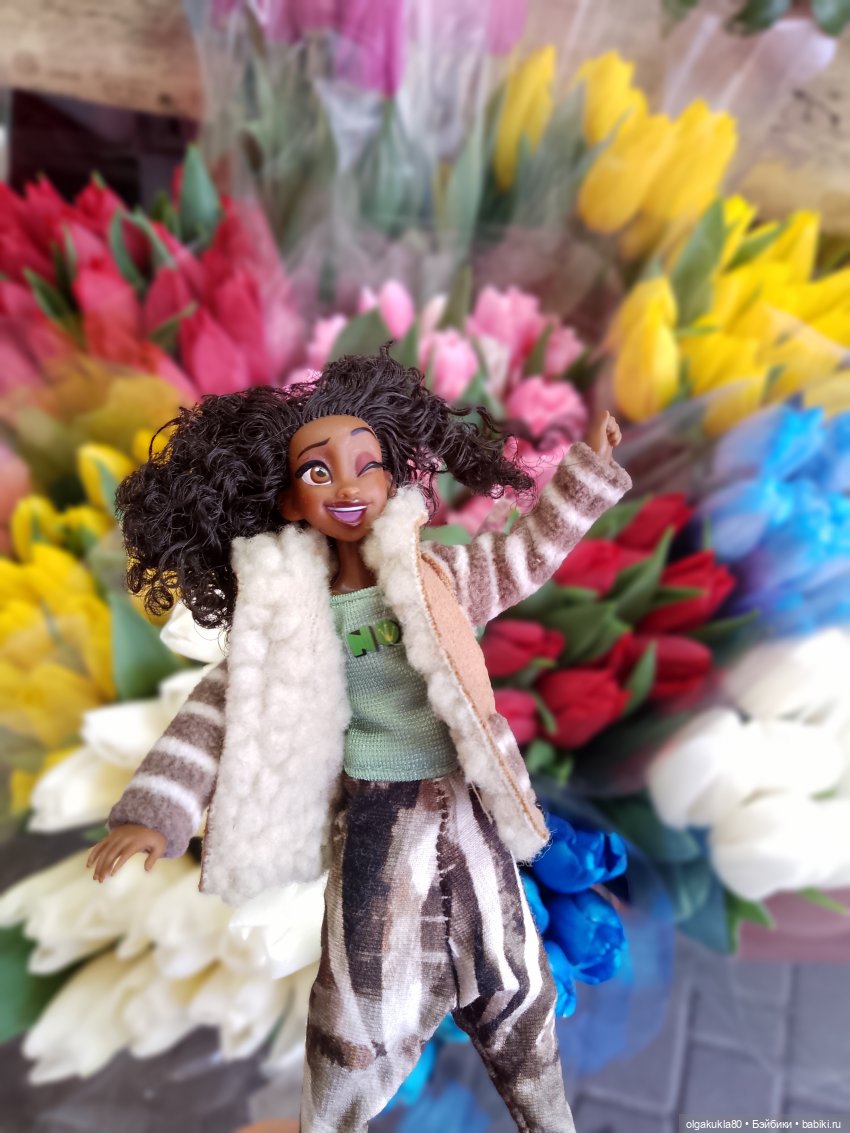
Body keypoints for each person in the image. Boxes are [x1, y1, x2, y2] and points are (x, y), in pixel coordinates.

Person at [87, 348, 630, 1132]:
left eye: (365, 465)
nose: (347, 487)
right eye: (319, 472)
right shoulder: (286, 616)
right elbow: (216, 709)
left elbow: (522, 555)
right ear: (288, 498)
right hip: (377, 817)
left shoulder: (439, 575)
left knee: (517, 981)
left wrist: (588, 475)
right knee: (356, 1007)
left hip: (469, 803)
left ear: (394, 477)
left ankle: (549, 1116)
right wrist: (156, 812)